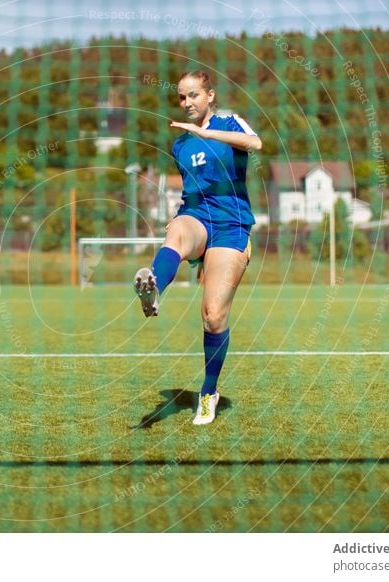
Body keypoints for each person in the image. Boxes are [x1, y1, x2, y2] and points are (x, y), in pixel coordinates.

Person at [133, 70, 261, 426]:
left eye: (192, 95)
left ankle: (208, 392)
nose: (186, 103)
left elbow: (256, 144)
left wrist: (207, 133)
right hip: (197, 217)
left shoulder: (228, 122)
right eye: (181, 97)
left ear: (210, 95)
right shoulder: (179, 145)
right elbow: (191, 191)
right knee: (175, 231)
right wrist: (181, 218)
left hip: (231, 226)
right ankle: (154, 288)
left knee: (213, 316)